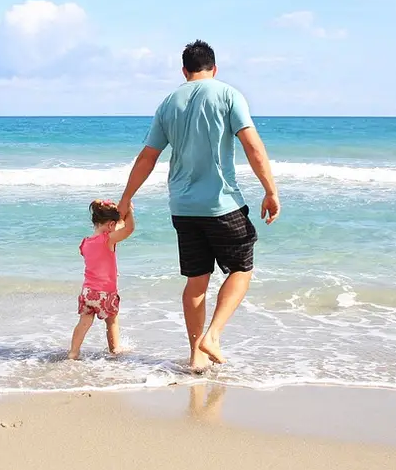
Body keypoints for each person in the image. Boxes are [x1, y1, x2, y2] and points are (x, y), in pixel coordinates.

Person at [117, 39, 279, 370]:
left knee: (196, 280)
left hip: (183, 207)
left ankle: (195, 356)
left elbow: (148, 156)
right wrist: (270, 190)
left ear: (184, 70)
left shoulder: (168, 103)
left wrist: (126, 197)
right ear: (214, 68)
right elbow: (252, 145)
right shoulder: (228, 94)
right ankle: (213, 336)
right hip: (221, 204)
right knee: (242, 269)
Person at [67, 199, 136, 360]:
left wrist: (119, 216)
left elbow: (115, 228)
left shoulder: (84, 243)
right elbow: (129, 228)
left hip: (88, 292)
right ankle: (114, 349)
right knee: (111, 321)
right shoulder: (108, 240)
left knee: (84, 322)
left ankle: (73, 352)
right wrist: (129, 212)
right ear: (111, 225)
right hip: (106, 293)